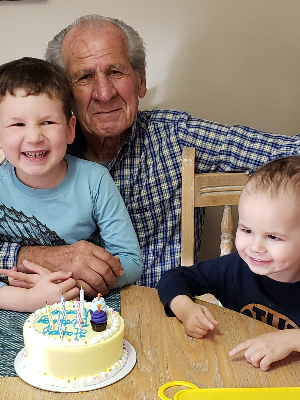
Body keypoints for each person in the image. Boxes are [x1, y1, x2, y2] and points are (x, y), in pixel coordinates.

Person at [2, 15, 300, 293]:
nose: (104, 93)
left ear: (140, 80)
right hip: (62, 322)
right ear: (63, 95)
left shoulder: (175, 136)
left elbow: (284, 149)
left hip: (165, 312)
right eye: (84, 77)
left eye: (116, 72)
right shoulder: (38, 154)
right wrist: (39, 256)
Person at [0, 57, 142, 298]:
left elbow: (130, 262)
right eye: (17, 124)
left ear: (69, 129)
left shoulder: (95, 180)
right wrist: (25, 298)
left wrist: (67, 285)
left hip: (84, 308)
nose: (34, 136)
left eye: (47, 122)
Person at [158, 156, 300, 371]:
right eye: (246, 230)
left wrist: (292, 339)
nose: (255, 247)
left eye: (273, 237)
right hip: (238, 373)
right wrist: (184, 308)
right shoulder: (235, 268)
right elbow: (175, 277)